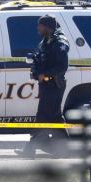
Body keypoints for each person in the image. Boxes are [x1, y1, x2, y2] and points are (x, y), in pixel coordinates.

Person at [17, 15, 70, 158]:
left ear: (47, 27)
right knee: (55, 118)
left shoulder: (59, 42)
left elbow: (62, 67)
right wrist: (36, 71)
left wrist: (46, 75)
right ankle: (65, 149)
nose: (37, 28)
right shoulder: (46, 41)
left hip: (54, 85)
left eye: (40, 26)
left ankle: (30, 149)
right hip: (47, 85)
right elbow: (41, 58)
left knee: (43, 117)